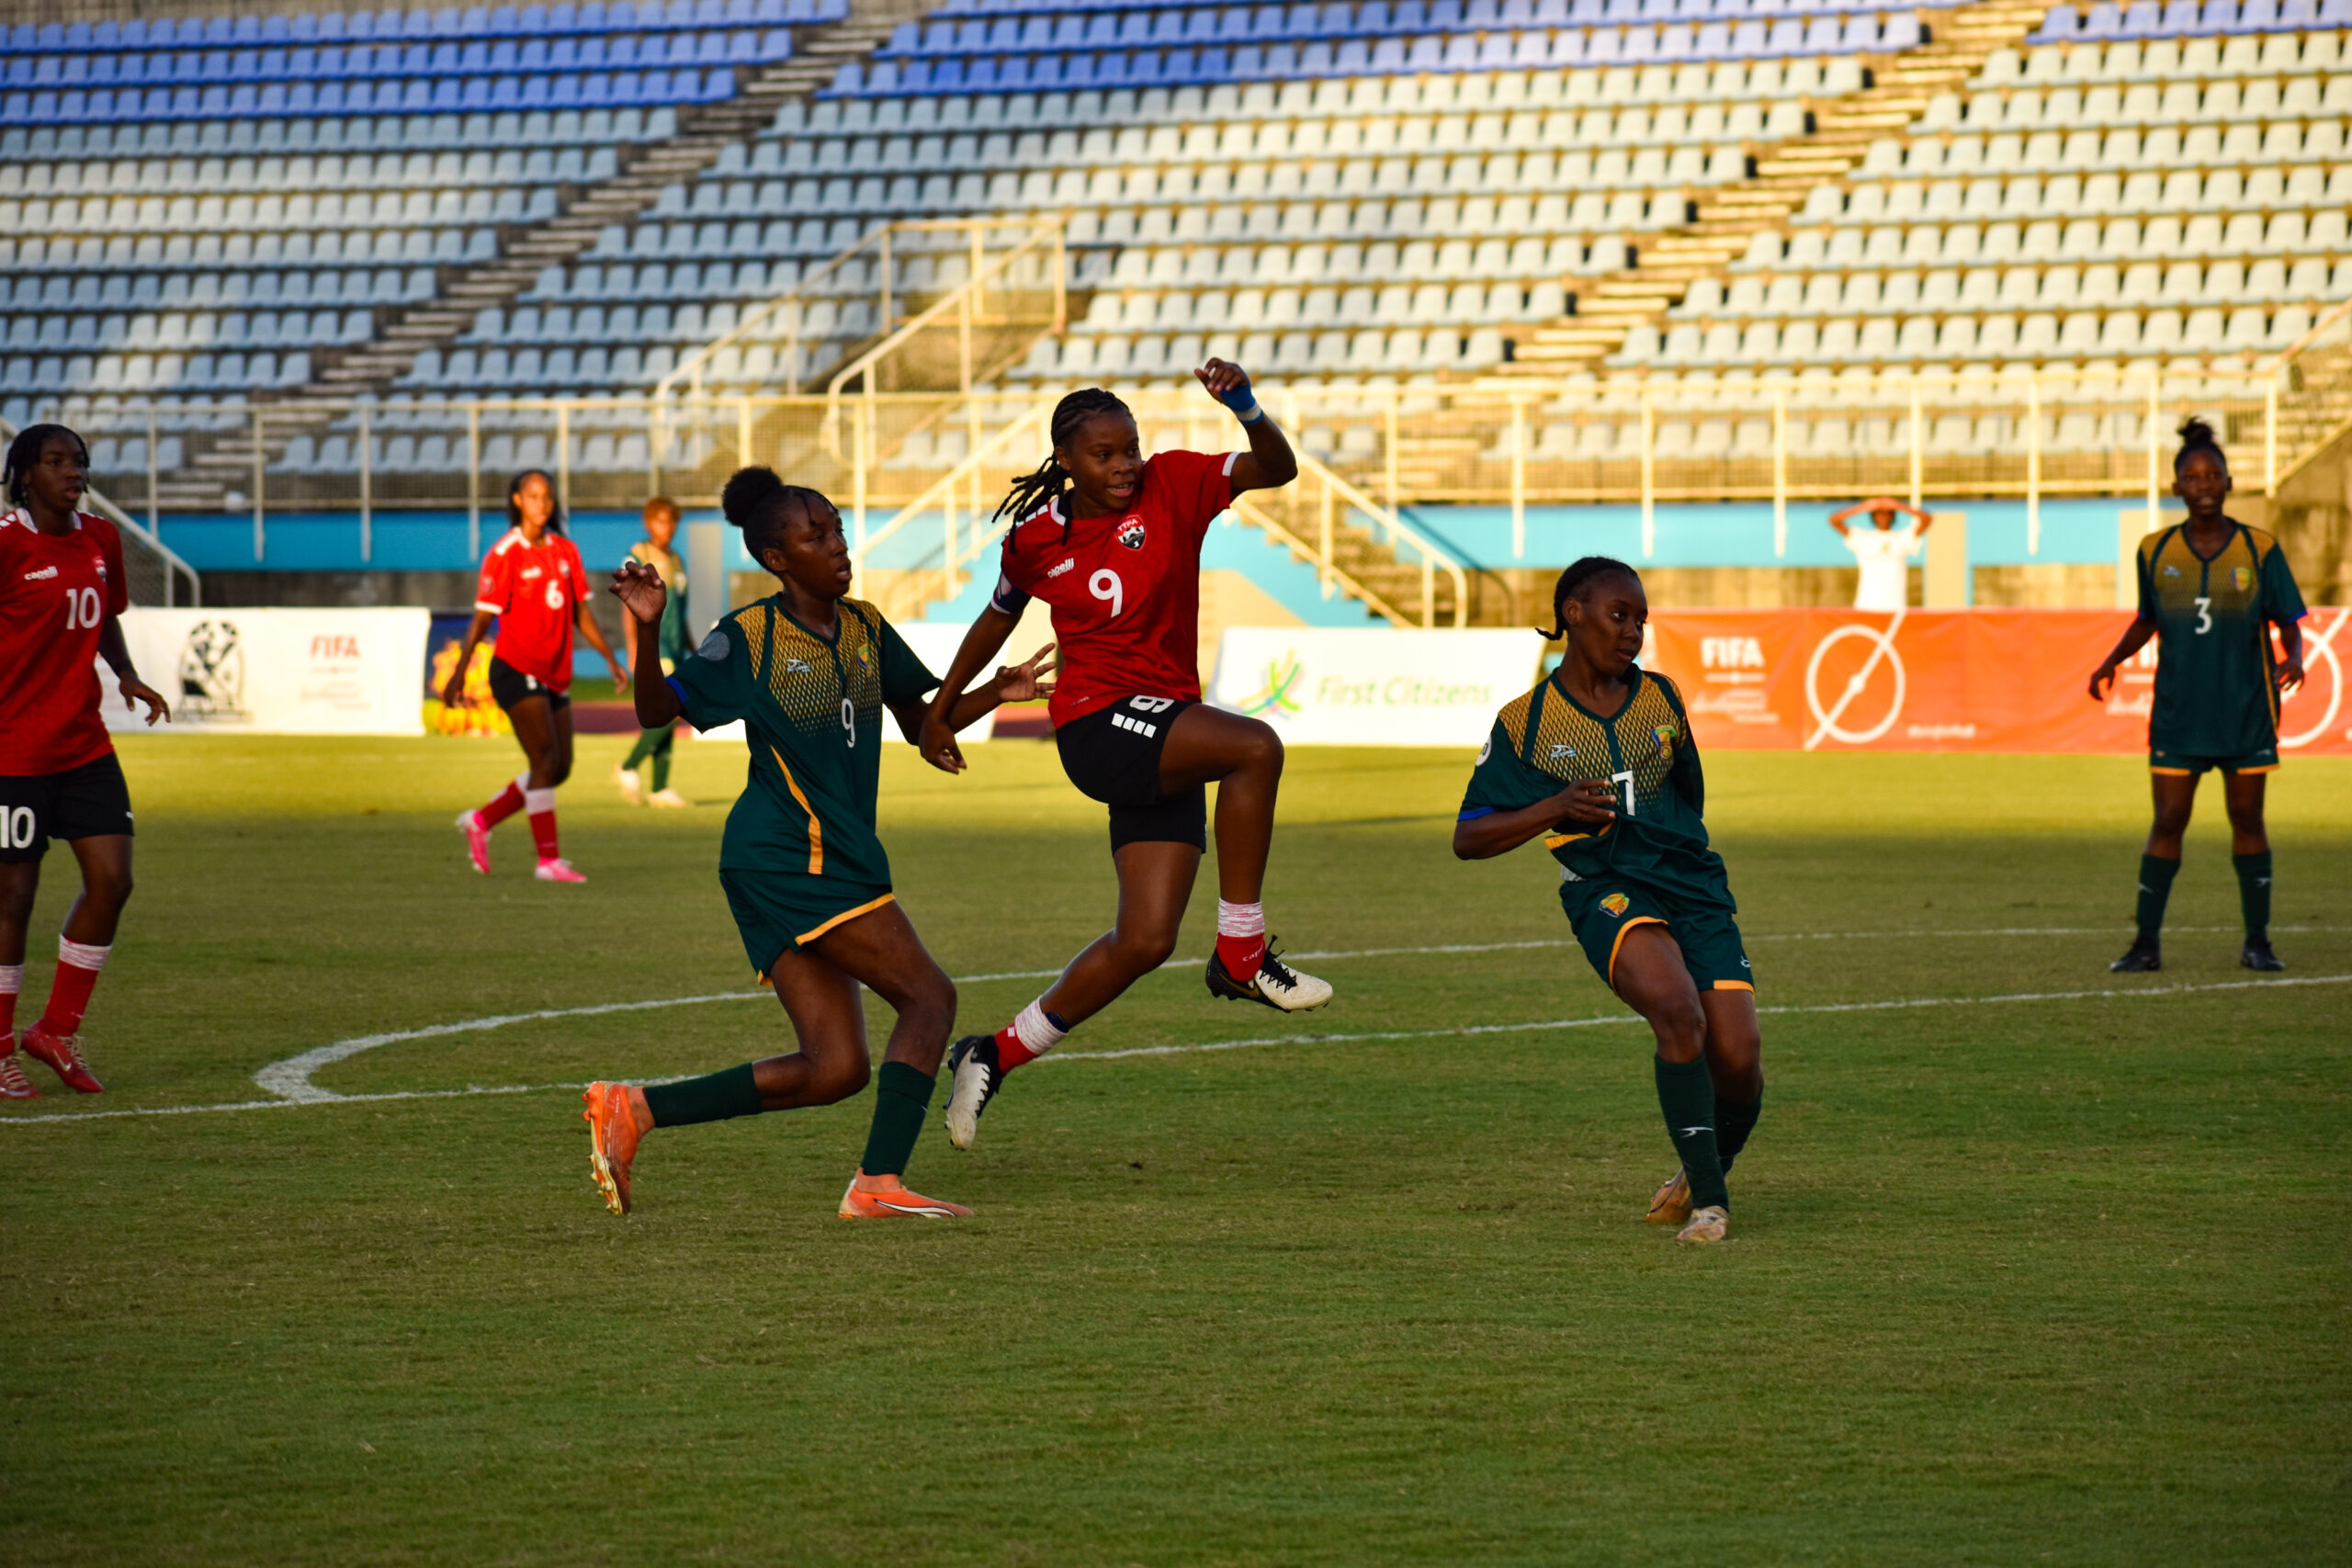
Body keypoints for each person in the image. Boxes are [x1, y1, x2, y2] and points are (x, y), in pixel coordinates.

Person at [580, 469, 1054, 1219]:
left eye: (837, 529)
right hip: (792, 854)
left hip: (813, 856)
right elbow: (654, 708)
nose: (839, 546)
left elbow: (923, 724)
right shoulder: (751, 636)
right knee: (929, 997)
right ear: (777, 558)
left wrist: (997, 690)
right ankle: (878, 1184)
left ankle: (633, 1108)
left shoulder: (865, 626)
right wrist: (645, 627)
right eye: (817, 536)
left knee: (835, 1067)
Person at [915, 362, 1329, 1154]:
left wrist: (1245, 407)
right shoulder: (1034, 540)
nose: (1124, 465)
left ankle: (990, 1053)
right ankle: (1241, 954)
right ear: (1065, 460)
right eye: (1104, 454)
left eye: (1130, 448)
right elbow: (995, 620)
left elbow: (1277, 468)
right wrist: (943, 710)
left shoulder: (1175, 485)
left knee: (1144, 940)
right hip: (1097, 724)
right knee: (1254, 747)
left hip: (1163, 725)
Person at [1452, 557, 1763, 1245]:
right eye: (1620, 616)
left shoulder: (1661, 698)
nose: (1633, 633)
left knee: (1740, 1061)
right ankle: (1711, 1206)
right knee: (1677, 1010)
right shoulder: (1526, 722)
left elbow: (1688, 793)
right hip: (1605, 888)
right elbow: (1467, 837)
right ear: (1573, 613)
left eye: (1641, 620)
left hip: (1692, 884)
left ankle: (1698, 1170)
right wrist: (1554, 807)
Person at [2088, 418, 2306, 975]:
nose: (2204, 484)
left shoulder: (2259, 548)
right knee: (2167, 821)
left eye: (2213, 476)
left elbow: (2287, 618)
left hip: (2245, 710)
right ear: (2177, 487)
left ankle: (2258, 943)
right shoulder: (2155, 550)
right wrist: (2112, 659)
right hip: (2179, 713)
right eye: (2193, 477)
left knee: (2248, 819)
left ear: (2229, 482)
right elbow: (2148, 619)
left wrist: (2294, 656)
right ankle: (2145, 945)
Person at [0, 424, 171, 1100]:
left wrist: (125, 672)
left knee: (112, 880)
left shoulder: (101, 538)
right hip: (13, 748)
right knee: (13, 897)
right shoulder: (6, 543)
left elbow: (104, 616)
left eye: (79, 461)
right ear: (24, 474)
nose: (73, 471)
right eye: (56, 461)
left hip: (83, 744)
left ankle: (55, 1031)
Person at [444, 469, 627, 883]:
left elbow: (579, 610)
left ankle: (481, 820)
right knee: (543, 760)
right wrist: (459, 671)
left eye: (547, 496)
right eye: (533, 496)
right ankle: (548, 861)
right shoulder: (505, 552)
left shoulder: (565, 550)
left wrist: (609, 658)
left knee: (559, 767)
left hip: (554, 670)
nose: (542, 503)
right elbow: (481, 618)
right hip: (515, 667)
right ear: (517, 501)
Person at [615, 494, 691, 808]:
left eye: (672, 521)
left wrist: (695, 647)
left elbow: (681, 611)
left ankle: (659, 788)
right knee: (671, 708)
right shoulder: (638, 555)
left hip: (676, 646)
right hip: (654, 645)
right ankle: (628, 766)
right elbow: (627, 605)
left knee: (670, 711)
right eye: (661, 521)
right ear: (648, 523)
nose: (667, 527)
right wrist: (633, 647)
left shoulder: (677, 560)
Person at [1827, 496, 1932, 612]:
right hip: (1866, 605)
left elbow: (1927, 519)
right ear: (1873, 516)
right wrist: (1864, 506)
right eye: (1879, 514)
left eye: (1887, 513)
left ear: (1892, 516)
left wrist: (1899, 506)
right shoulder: (1862, 537)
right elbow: (1834, 520)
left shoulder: (1902, 537)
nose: (1883, 517)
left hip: (1895, 606)